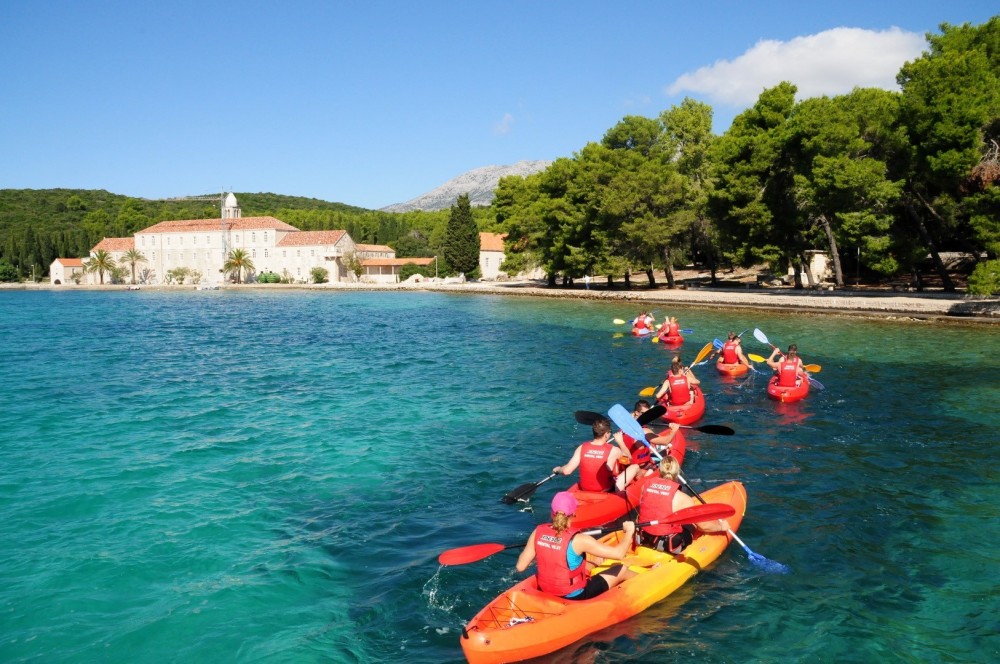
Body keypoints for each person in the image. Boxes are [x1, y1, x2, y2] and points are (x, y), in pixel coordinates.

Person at [516, 492, 637, 599]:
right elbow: (619, 554)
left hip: (546, 590)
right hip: (575, 595)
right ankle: (649, 578)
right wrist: (629, 531)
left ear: (552, 514)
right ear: (573, 514)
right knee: (621, 569)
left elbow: (520, 567)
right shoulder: (580, 540)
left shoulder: (538, 532)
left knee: (591, 561)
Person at [635, 456, 730, 553]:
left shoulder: (645, 486)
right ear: (677, 472)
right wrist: (721, 526)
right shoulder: (683, 498)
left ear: (659, 470)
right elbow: (703, 526)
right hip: (665, 545)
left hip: (644, 538)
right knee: (691, 524)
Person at [553, 416, 626, 492]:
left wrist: (558, 469)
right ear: (606, 434)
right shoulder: (614, 450)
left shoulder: (581, 447)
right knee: (634, 467)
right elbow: (629, 459)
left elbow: (566, 471)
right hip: (605, 491)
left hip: (585, 490)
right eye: (610, 431)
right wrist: (621, 442)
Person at [616, 400, 686, 473]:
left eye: (648, 413)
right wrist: (674, 430)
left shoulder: (622, 428)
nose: (647, 416)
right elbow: (666, 442)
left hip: (628, 467)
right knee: (666, 450)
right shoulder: (644, 431)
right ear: (636, 413)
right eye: (644, 414)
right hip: (643, 467)